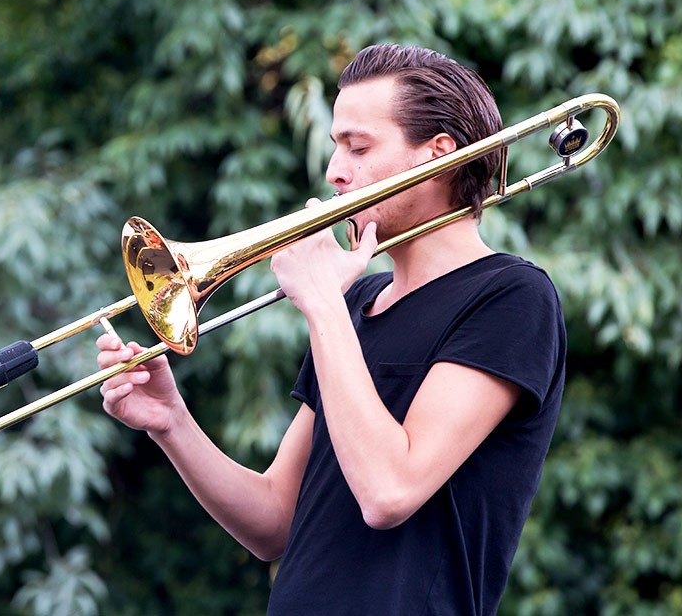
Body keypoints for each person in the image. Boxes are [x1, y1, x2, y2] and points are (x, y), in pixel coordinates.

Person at [96, 43, 567, 615]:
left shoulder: (511, 297)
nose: (333, 172)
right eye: (336, 147)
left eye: (358, 147)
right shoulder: (358, 304)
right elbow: (274, 521)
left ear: (437, 155)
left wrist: (321, 303)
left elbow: (389, 491)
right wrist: (171, 421)